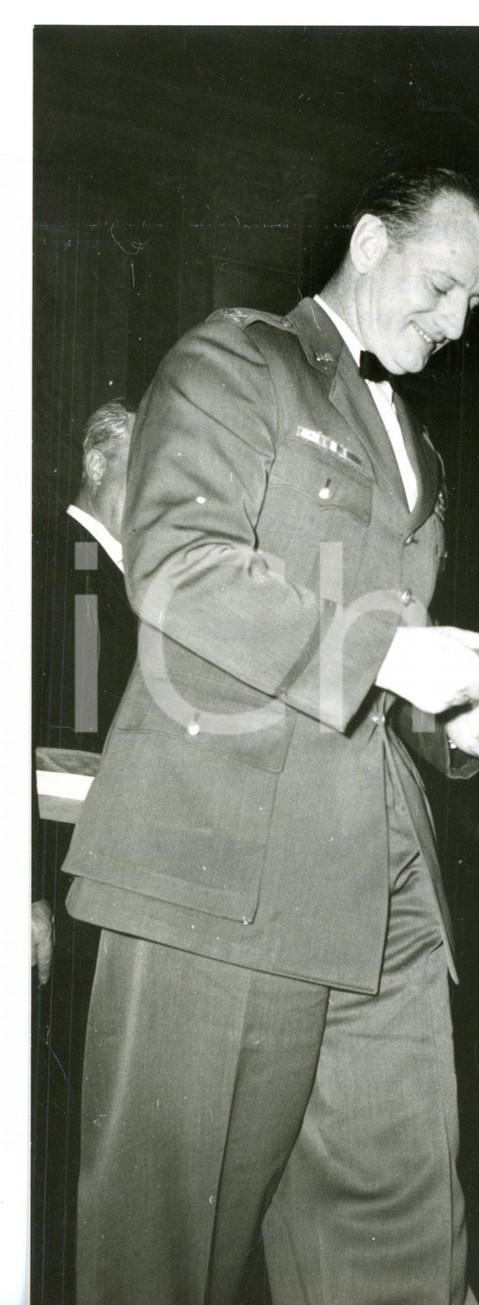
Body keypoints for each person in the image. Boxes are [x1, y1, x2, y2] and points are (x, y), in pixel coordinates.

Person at [60, 166, 479, 1305]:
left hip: (384, 903)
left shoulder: (417, 447)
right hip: (222, 884)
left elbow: (378, 680)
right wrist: (386, 655)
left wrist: (454, 722)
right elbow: (178, 564)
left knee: (399, 1253)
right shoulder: (240, 361)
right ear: (370, 243)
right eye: (441, 286)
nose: (456, 323)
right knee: (165, 1251)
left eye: (476, 302)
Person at [32, 400, 136, 1298]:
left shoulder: (105, 577)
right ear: (102, 466)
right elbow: (56, 755)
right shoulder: (75, 570)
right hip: (73, 892)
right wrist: (35, 890)